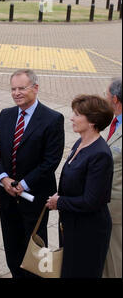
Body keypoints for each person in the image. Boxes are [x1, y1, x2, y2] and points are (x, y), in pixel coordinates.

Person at [0, 69, 64, 278]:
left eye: (21, 88)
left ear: (35, 88)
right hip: (6, 196)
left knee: (35, 252)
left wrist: (22, 184)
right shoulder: (6, 115)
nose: (16, 93)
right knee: (12, 249)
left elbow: (50, 162)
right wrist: (4, 178)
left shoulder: (52, 119)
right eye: (13, 89)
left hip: (34, 199)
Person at [46, 94, 114, 278]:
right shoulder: (80, 142)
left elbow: (91, 201)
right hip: (72, 226)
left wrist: (59, 202)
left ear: (92, 121)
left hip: (89, 232)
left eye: (76, 114)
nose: (71, 118)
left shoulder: (100, 155)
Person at [103, 78, 122, 278]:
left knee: (115, 261)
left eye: (106, 94)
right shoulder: (113, 120)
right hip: (106, 204)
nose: (104, 98)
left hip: (117, 209)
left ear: (115, 99)